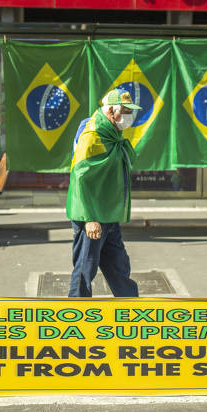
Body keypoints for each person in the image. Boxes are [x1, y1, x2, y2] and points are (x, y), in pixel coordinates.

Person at [65, 89, 142, 297]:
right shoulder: (93, 136)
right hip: (92, 214)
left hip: (108, 212)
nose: (129, 117)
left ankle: (129, 306)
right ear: (110, 111)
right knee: (85, 269)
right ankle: (75, 313)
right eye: (125, 112)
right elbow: (80, 178)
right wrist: (90, 219)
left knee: (118, 266)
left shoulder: (112, 133)